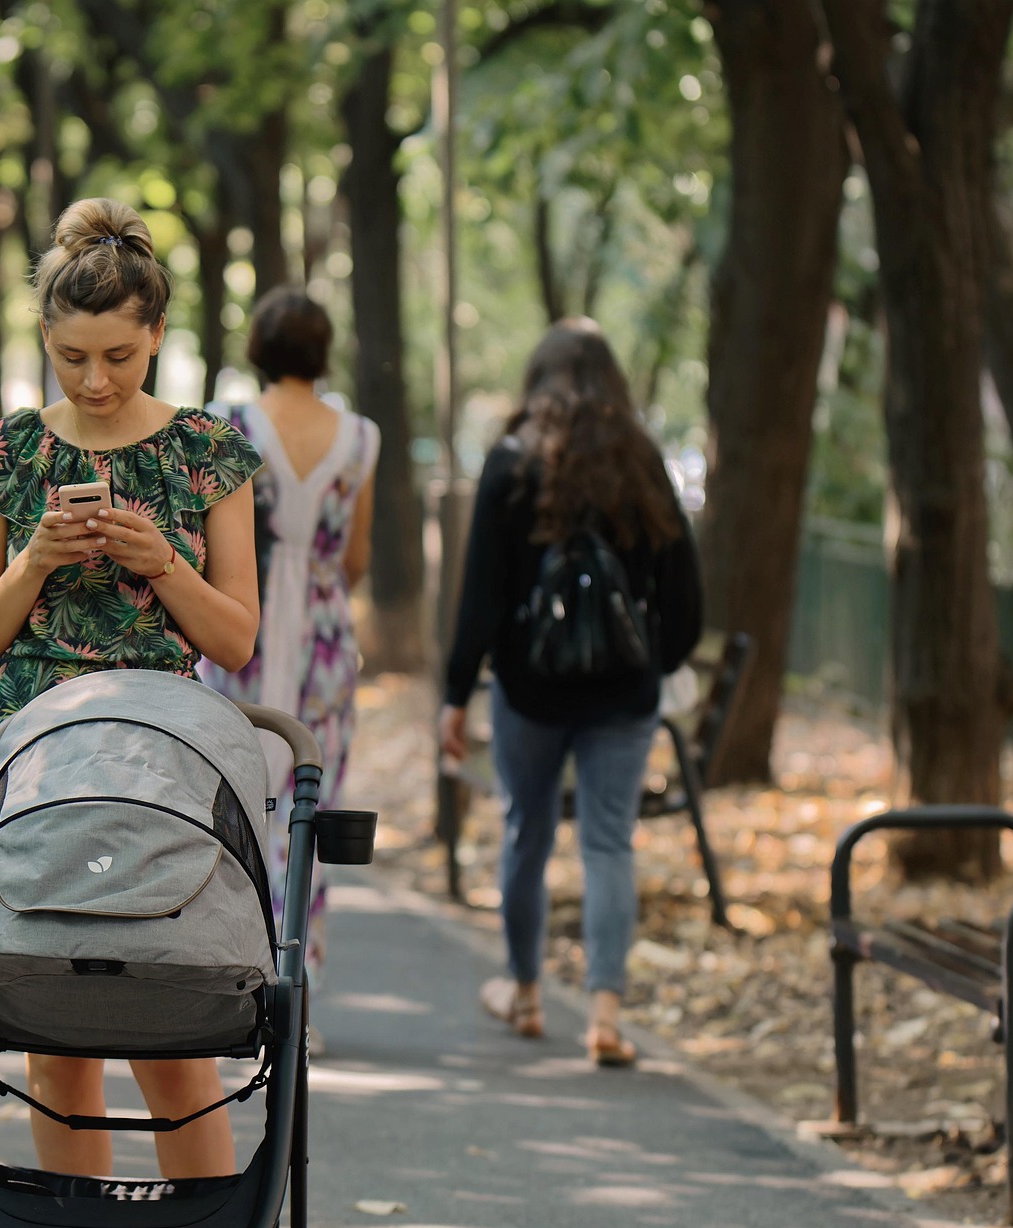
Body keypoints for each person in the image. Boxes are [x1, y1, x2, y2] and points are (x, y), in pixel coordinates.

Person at [0, 197, 261, 1180]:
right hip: (32, 765)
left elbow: (239, 639)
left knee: (171, 1032)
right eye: (72, 355)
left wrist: (164, 563)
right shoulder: (6, 455)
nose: (95, 379)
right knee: (56, 1032)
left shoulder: (206, 449)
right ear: (45, 336)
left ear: (158, 335)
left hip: (159, 760)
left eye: (120, 356)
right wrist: (32, 563)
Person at [438, 318, 701, 1068]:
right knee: (610, 841)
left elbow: (480, 596)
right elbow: (685, 588)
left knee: (527, 830)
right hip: (624, 692)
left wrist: (458, 692)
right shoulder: (643, 465)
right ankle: (607, 1014)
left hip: (530, 686)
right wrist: (660, 661)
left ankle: (524, 992)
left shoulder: (514, 462)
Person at [199, 286, 377, 998]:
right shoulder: (361, 437)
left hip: (241, 630)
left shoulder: (225, 424)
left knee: (235, 802)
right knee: (310, 805)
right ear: (323, 352)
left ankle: (227, 970)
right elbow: (356, 558)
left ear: (258, 350)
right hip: (325, 644)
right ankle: (297, 984)